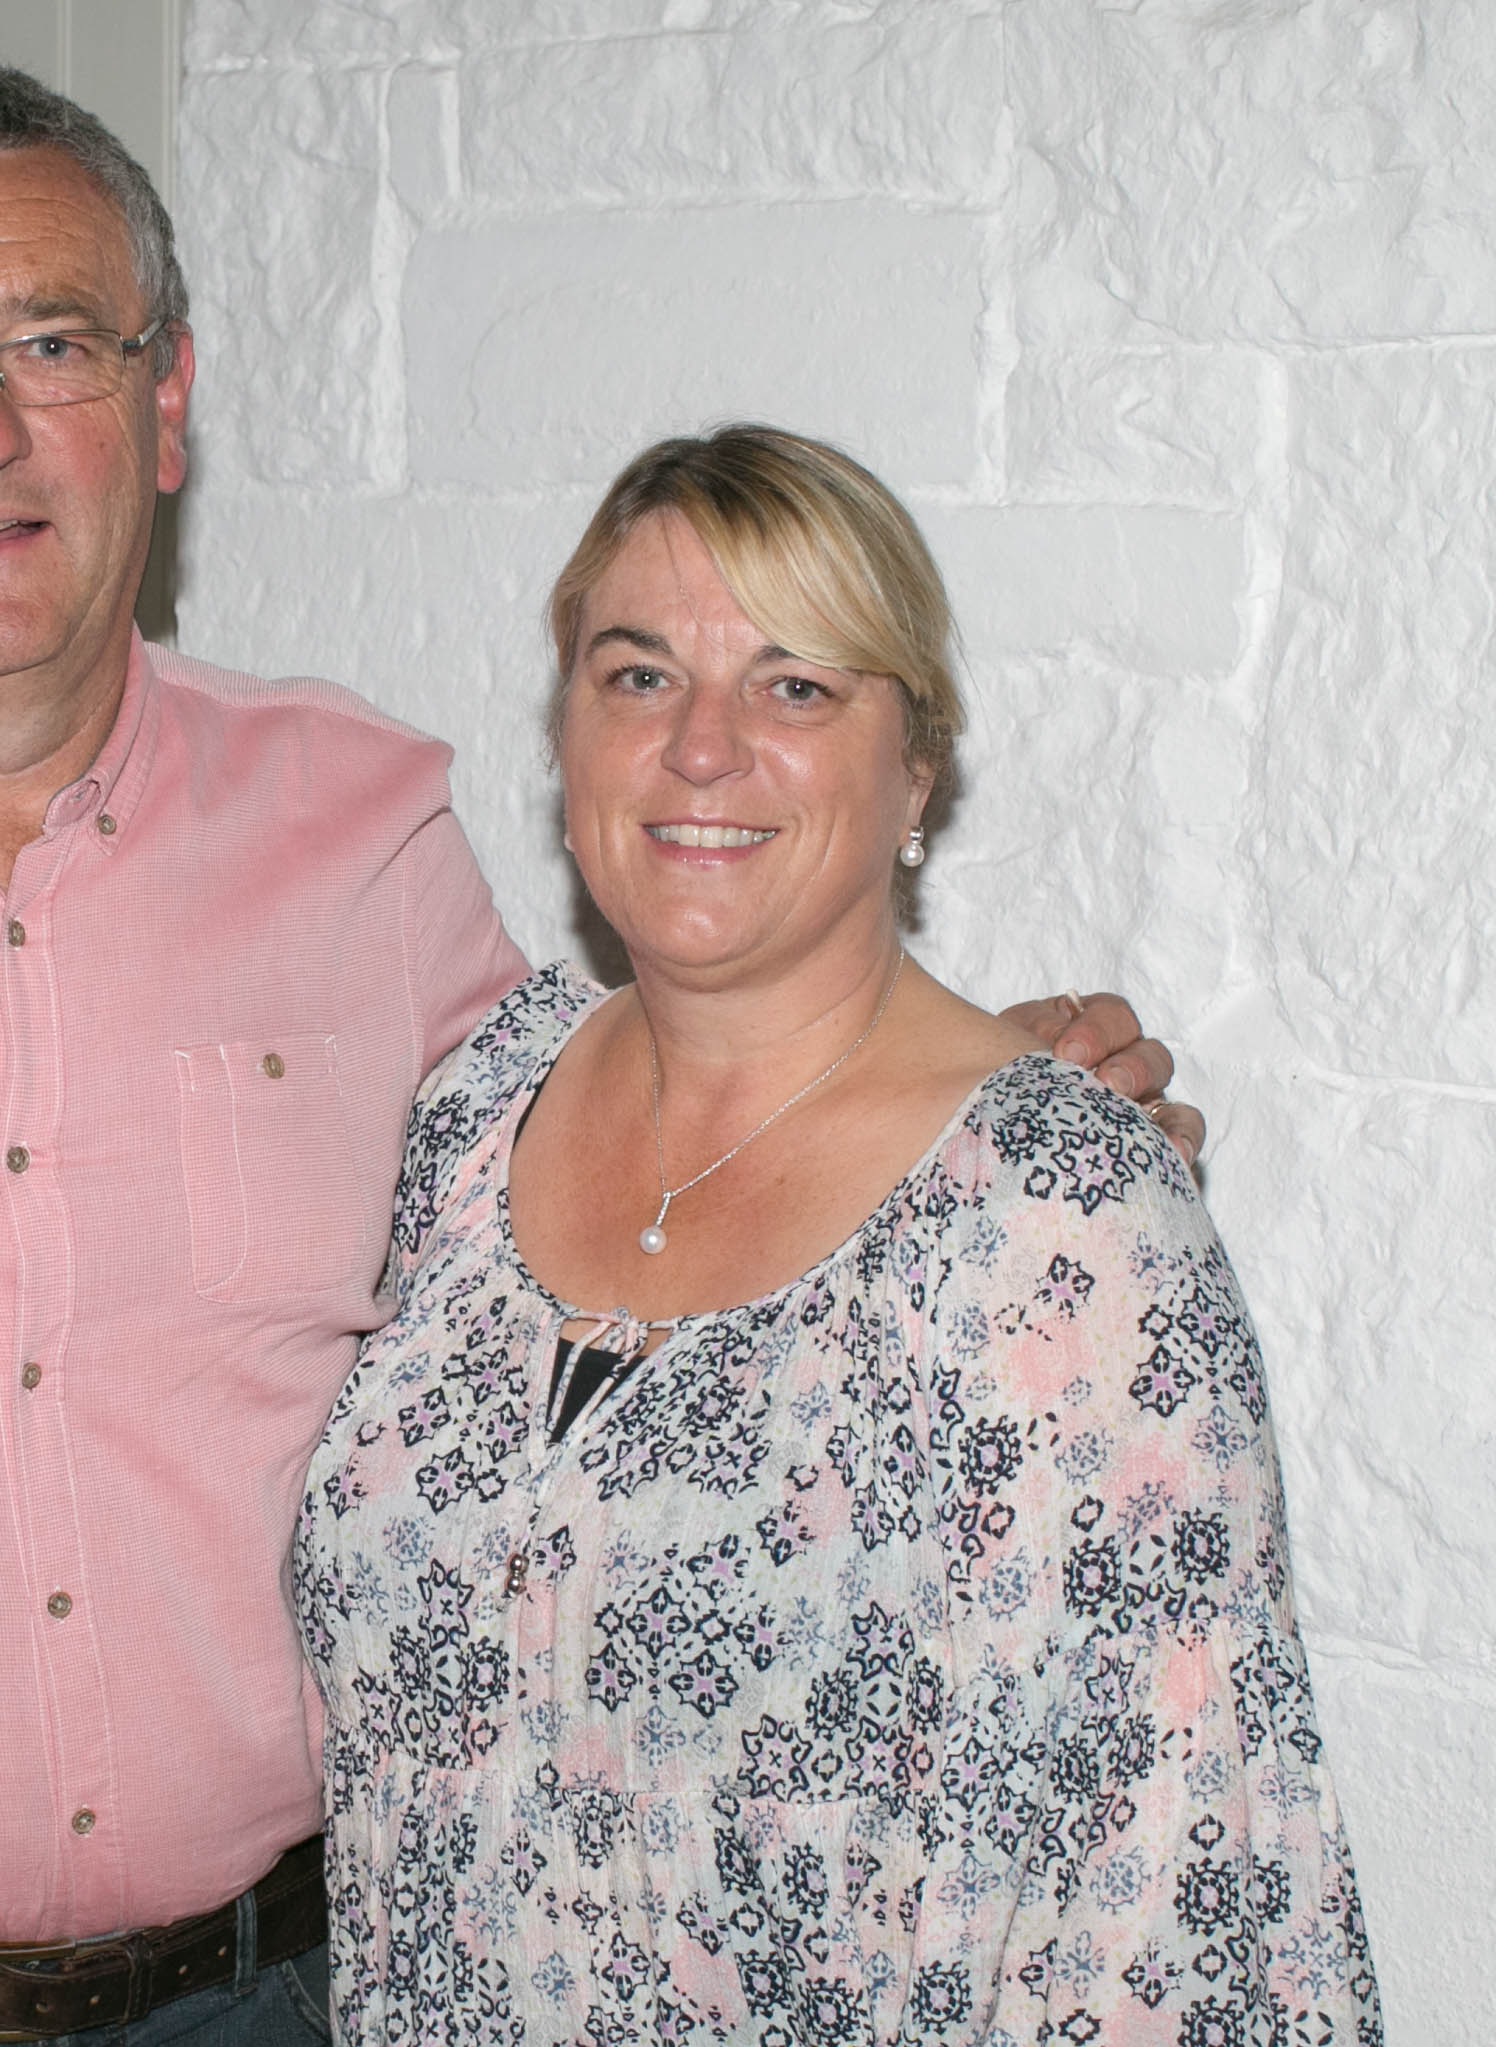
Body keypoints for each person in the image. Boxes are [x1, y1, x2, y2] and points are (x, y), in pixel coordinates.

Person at [0, 66, 1190, 2047]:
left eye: (54, 343)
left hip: (274, 1999)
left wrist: (931, 1113)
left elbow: (632, 1177)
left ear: (166, 402)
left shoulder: (363, 827)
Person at [294, 427, 1379, 2044]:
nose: (704, 747)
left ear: (916, 773)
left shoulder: (1056, 1227)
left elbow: (1181, 1902)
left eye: (798, 686)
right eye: (639, 675)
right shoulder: (473, 1112)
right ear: (566, 734)